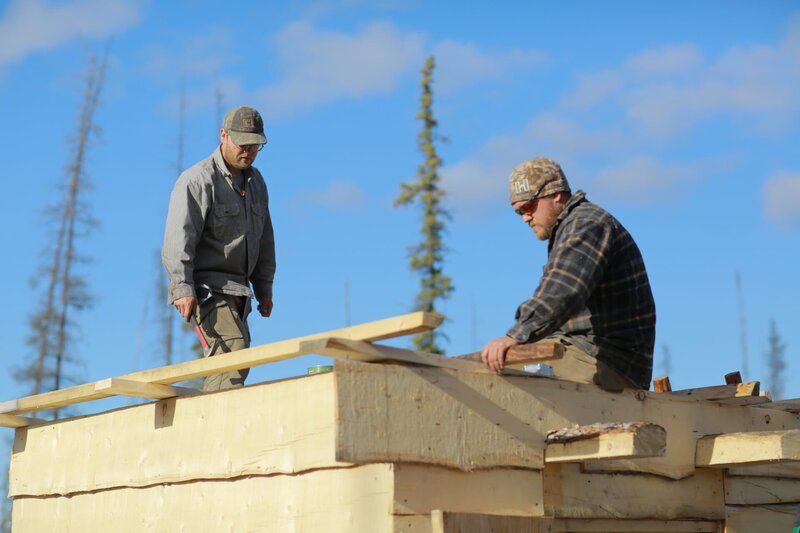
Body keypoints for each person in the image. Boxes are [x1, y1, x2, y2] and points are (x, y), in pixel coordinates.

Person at [481, 157, 655, 391]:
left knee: (497, 384)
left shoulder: (587, 224)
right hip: (582, 352)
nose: (525, 217)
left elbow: (563, 290)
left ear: (556, 194)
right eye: (518, 212)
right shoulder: (571, 228)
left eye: (529, 206)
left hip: (605, 360)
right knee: (490, 372)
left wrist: (516, 335)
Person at [162, 105, 276, 391]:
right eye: (242, 144)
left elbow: (265, 239)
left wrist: (264, 288)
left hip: (240, 293)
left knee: (234, 357)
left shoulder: (257, 184)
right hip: (208, 289)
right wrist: (182, 288)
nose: (248, 151)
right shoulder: (198, 180)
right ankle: (218, 418)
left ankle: (210, 414)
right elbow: (178, 238)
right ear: (223, 135)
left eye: (255, 145)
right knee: (232, 354)